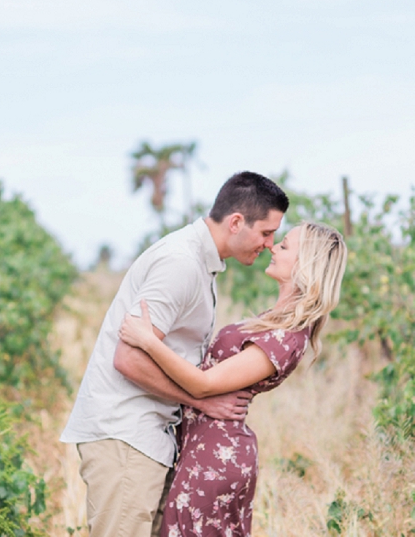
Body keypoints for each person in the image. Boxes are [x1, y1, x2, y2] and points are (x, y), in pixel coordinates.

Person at [60, 171, 290, 537]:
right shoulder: (180, 263)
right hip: (126, 435)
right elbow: (128, 358)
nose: (269, 243)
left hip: (148, 437)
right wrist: (200, 401)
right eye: (266, 232)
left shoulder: (201, 262)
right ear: (236, 223)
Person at [119, 221, 347, 537]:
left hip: (215, 455)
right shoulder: (276, 322)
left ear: (305, 263)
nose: (273, 247)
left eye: (284, 246)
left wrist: (148, 341)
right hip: (204, 446)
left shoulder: (287, 336)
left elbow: (204, 384)